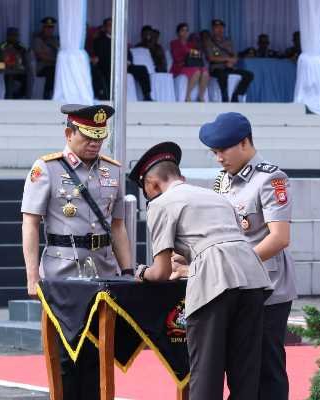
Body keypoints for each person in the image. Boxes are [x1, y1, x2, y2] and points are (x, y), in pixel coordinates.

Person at [129, 141, 272, 400]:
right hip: (252, 276)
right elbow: (219, 241)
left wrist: (140, 272)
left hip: (213, 284)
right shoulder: (216, 197)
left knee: (207, 373)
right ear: (180, 176)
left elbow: (161, 272)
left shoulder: (160, 204)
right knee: (246, 374)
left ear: (152, 184)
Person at [21, 104, 133, 400]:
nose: (95, 143)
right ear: (68, 134)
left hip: (103, 270)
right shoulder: (47, 168)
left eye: (100, 137)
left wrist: (128, 271)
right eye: (87, 137)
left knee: (99, 352)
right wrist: (32, 277)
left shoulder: (113, 169)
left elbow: (118, 226)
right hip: (62, 271)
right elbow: (30, 223)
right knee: (65, 356)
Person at [197, 112, 298, 400]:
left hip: (268, 288)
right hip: (235, 287)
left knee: (267, 368)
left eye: (223, 150)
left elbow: (279, 237)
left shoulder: (271, 178)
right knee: (241, 367)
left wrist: (234, 264)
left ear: (244, 143)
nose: (219, 158)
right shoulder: (222, 181)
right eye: (214, 152)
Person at [93, 18, 153, 101]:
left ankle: (147, 95)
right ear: (105, 27)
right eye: (110, 25)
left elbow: (128, 54)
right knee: (106, 70)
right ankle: (108, 97)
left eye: (114, 25)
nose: (112, 27)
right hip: (109, 66)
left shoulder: (120, 39)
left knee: (142, 69)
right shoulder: (99, 41)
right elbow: (100, 56)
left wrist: (128, 62)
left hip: (123, 66)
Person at [204, 19, 253, 102]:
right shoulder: (209, 42)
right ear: (213, 29)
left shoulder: (228, 41)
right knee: (223, 75)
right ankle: (225, 97)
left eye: (221, 27)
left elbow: (235, 56)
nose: (219, 29)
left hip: (230, 67)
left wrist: (232, 61)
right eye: (217, 27)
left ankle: (236, 95)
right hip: (216, 68)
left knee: (249, 75)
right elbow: (210, 58)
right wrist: (227, 59)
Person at [170, 22, 209, 102]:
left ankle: (201, 96)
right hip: (180, 67)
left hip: (191, 65)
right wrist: (191, 52)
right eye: (182, 30)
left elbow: (199, 54)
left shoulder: (191, 44)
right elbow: (179, 55)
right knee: (196, 72)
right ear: (178, 33)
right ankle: (187, 96)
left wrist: (191, 52)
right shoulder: (174, 43)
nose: (185, 32)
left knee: (205, 72)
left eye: (186, 30)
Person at [32, 17, 59, 100]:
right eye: (47, 27)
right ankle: (47, 95)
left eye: (51, 27)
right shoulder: (38, 39)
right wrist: (55, 60)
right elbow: (40, 55)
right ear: (43, 28)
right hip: (42, 66)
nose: (49, 30)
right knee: (52, 71)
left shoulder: (55, 40)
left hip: (54, 65)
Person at [0, 27, 30, 99]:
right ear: (7, 36)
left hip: (18, 69)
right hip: (5, 70)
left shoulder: (21, 46)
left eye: (15, 35)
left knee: (25, 77)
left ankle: (21, 96)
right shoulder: (2, 45)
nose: (13, 37)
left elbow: (28, 53)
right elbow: (0, 55)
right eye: (11, 35)